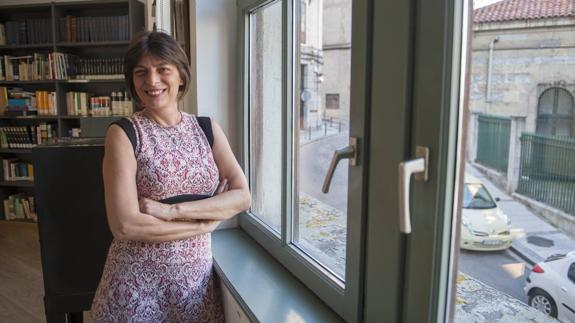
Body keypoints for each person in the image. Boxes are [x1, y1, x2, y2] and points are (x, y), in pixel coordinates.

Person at [90, 31, 251, 322]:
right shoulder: (123, 133)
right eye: (141, 72)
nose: (152, 81)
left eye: (162, 69)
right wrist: (205, 224)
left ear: (180, 75)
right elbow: (125, 226)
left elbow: (242, 195)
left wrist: (172, 210)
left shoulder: (207, 128)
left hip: (194, 289)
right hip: (136, 289)